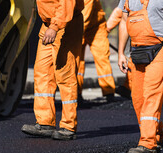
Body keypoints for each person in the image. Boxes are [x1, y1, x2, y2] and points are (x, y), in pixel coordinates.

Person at [117, 0, 163, 153]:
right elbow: (123, 21)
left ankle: (148, 144)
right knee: (138, 99)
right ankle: (157, 134)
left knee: (151, 94)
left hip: (160, 49)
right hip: (136, 51)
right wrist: (121, 52)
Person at [21, 0, 84, 141]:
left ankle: (68, 126)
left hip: (65, 24)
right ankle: (45, 122)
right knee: (42, 72)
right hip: (48, 25)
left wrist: (55, 27)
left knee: (65, 75)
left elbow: (67, 3)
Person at [77, 0, 116, 103]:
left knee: (102, 58)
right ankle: (76, 92)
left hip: (95, 28)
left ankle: (109, 92)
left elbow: (84, 17)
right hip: (79, 26)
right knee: (77, 61)